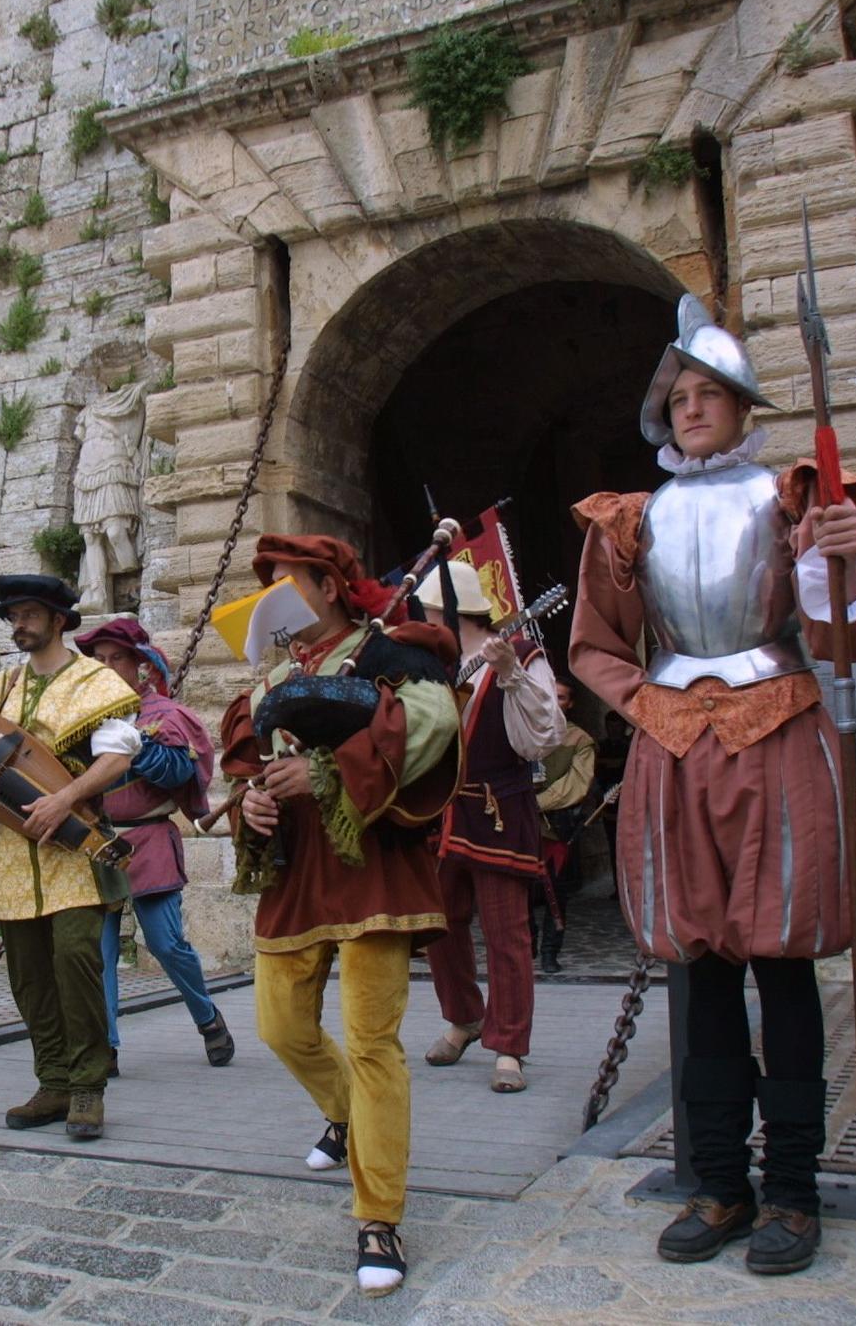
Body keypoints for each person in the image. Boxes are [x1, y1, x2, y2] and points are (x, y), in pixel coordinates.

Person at [569, 295, 856, 1276]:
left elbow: (854, 635)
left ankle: (792, 1192)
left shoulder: (794, 500)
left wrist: (840, 563)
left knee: (782, 959)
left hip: (778, 728)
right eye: (679, 393)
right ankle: (717, 1180)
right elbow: (594, 645)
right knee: (701, 967)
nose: (690, 406)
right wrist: (645, 705)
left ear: (743, 407)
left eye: (710, 393)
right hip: (673, 744)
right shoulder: (630, 522)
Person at [220, 535, 461, 1298]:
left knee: (372, 1042)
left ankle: (378, 1215)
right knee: (279, 1026)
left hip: (372, 870)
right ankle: (347, 1116)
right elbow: (251, 762)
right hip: (296, 871)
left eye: (286, 582)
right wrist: (254, 799)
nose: (274, 601)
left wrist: (324, 770)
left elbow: (430, 728)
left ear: (326, 583)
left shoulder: (394, 653)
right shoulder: (275, 678)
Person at [0, 575, 142, 1141]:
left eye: (29, 614)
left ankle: (87, 1088)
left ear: (58, 619)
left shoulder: (94, 681)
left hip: (73, 847)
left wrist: (66, 798)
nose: (19, 624)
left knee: (76, 963)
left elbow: (119, 754)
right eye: (13, 615)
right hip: (11, 853)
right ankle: (51, 1082)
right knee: (28, 976)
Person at [420, 560, 566, 1093]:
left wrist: (509, 675)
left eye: (432, 611)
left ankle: (508, 1045)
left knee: (507, 932)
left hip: (499, 809)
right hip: (441, 813)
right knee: (440, 924)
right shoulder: (429, 661)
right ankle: (464, 1018)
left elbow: (544, 737)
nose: (425, 618)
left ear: (454, 611)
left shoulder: (522, 654)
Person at [72, 616, 234, 1075]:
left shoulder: (164, 715)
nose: (105, 666)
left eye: (116, 658)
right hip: (97, 842)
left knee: (166, 943)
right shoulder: (83, 717)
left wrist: (138, 743)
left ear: (139, 663)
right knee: (98, 954)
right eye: (98, 659)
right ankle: (106, 1047)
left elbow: (180, 774)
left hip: (149, 838)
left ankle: (208, 1018)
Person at [532, 678, 596, 974]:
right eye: (550, 695)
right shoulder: (524, 732)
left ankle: (549, 952)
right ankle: (527, 946)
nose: (555, 702)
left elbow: (577, 784)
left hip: (556, 827)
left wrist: (536, 803)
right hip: (523, 826)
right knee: (519, 893)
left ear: (569, 703)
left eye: (561, 697)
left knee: (555, 894)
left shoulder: (580, 740)